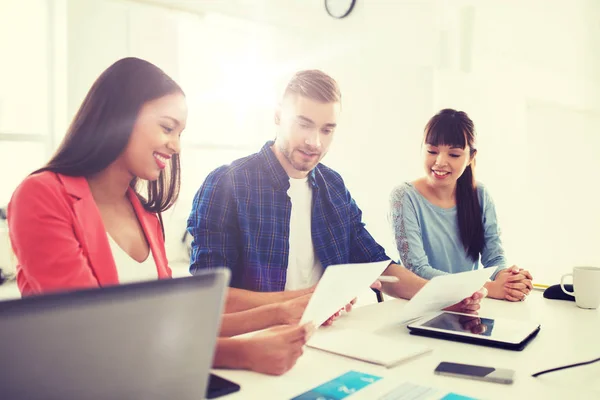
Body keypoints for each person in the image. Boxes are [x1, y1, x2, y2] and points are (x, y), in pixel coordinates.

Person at [7, 57, 309, 376]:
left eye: (180, 133)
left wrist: (279, 313)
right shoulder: (41, 195)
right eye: (167, 128)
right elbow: (95, 334)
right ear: (119, 117)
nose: (176, 146)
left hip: (150, 381)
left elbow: (172, 323)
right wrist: (241, 353)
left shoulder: (146, 215)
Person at [187, 70, 486, 313]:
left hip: (329, 340)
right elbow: (209, 297)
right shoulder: (226, 185)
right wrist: (308, 299)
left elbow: (379, 268)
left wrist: (447, 298)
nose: (314, 142)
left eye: (327, 129)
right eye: (303, 125)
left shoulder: (332, 187)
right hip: (258, 345)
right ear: (278, 116)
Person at [388, 108, 533, 302]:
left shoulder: (480, 195)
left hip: (468, 305)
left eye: (454, 155)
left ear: (471, 157)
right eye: (432, 151)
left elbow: (494, 258)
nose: (440, 162)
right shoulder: (404, 197)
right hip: (420, 304)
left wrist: (510, 280)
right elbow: (417, 270)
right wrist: (488, 288)